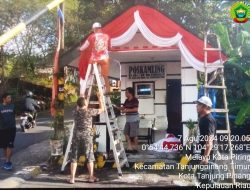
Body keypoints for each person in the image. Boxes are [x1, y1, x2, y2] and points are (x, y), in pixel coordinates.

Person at [69, 93, 104, 184]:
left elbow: (78, 106)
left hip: (76, 135)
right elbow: (102, 109)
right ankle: (91, 177)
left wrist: (82, 97)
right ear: (85, 104)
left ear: (77, 105)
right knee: (89, 156)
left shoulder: (75, 112)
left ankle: (72, 178)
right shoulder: (89, 111)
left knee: (74, 156)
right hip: (87, 136)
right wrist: (100, 99)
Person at [79, 22, 110, 95]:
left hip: (95, 58)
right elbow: (108, 46)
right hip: (105, 58)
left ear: (95, 29)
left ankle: (83, 91)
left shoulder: (91, 36)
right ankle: (107, 90)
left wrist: (80, 49)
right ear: (100, 28)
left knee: (88, 73)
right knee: (105, 75)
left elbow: (85, 46)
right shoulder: (106, 36)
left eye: (93, 29)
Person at [114, 87, 139, 153]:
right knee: (126, 133)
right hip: (128, 120)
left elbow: (135, 109)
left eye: (126, 92)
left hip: (134, 120)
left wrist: (127, 110)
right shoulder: (127, 100)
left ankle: (135, 148)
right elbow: (123, 108)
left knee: (134, 135)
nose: (125, 93)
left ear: (130, 93)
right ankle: (129, 147)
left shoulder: (135, 100)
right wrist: (116, 107)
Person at [194, 96, 217, 164]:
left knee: (207, 174)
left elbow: (209, 140)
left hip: (209, 155)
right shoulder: (203, 118)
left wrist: (205, 157)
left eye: (199, 104)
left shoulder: (209, 120)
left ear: (205, 107)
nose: (196, 106)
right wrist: (200, 144)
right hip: (204, 152)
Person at [0, 93, 16, 170]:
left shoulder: (13, 106)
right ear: (4, 99)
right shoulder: (0, 107)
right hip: (2, 129)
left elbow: (15, 115)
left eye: (10, 98)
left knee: (10, 145)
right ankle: (7, 161)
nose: (10, 99)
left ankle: (7, 162)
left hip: (11, 128)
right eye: (8, 98)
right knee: (4, 146)